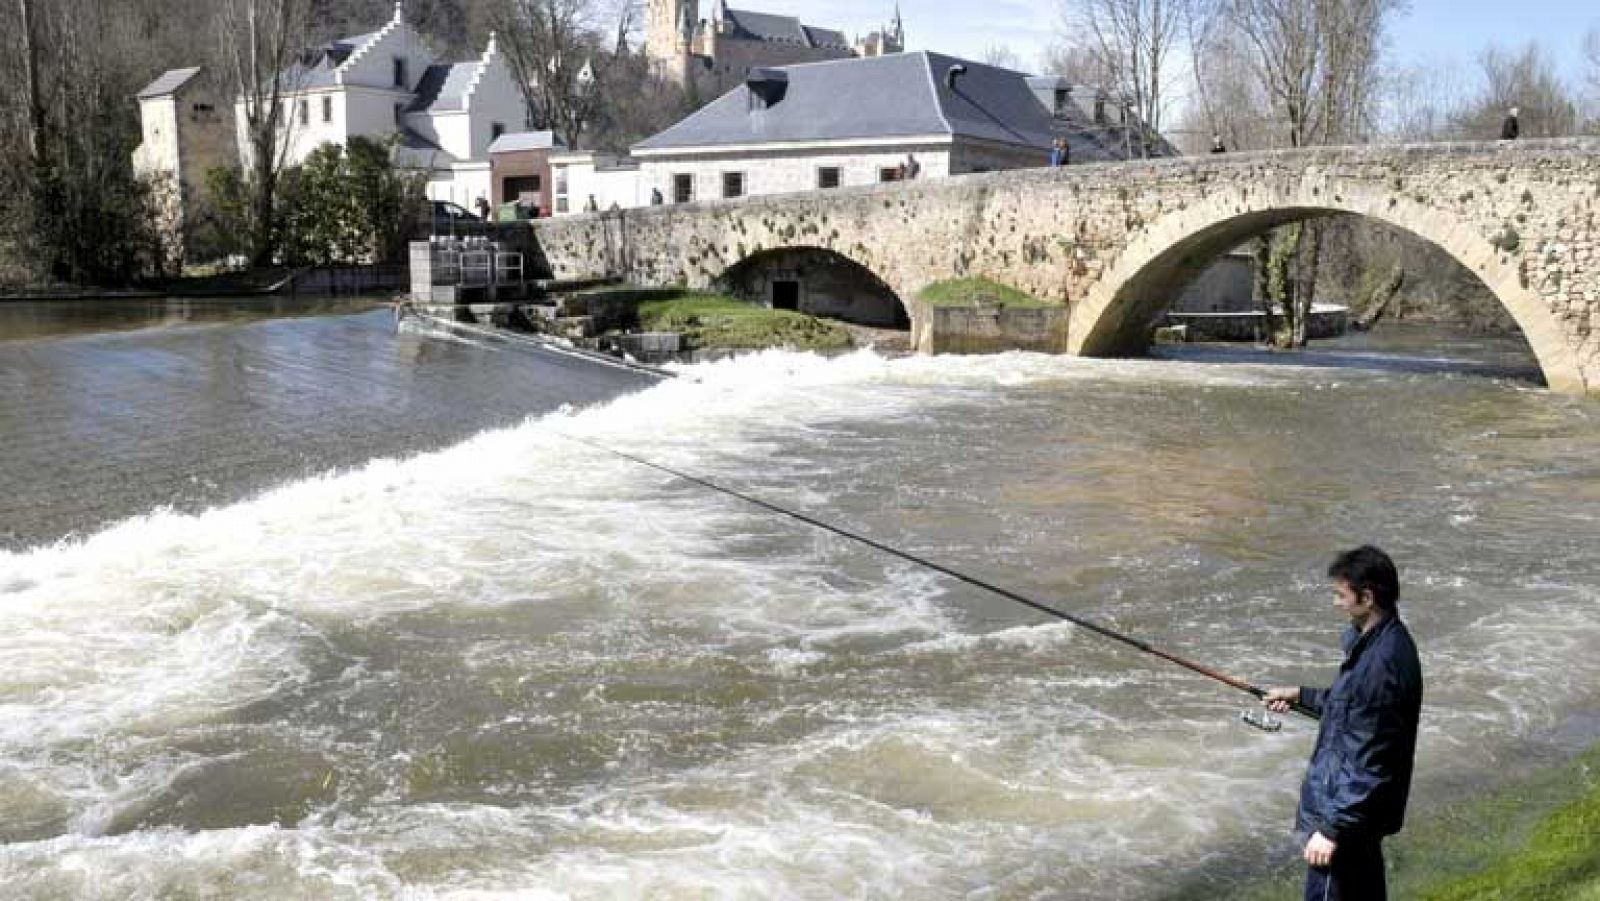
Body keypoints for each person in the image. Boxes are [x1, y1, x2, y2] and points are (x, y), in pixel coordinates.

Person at [1265, 545, 1423, 901]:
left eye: (1341, 595)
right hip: (1358, 818)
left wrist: (1331, 830)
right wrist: (1300, 695)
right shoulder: (1382, 644)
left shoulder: (1381, 666)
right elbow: (1354, 710)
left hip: (1348, 821)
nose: (1336, 603)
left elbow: (1371, 762)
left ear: (1366, 598)